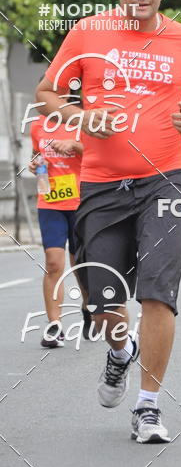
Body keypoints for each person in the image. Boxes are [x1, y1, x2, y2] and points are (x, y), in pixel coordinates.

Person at [35, 0, 181, 443]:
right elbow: (47, 93)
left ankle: (148, 406)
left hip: (164, 180)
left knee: (158, 294)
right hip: (100, 184)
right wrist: (81, 116)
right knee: (103, 303)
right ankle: (121, 351)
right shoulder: (88, 32)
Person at [29, 114, 88, 347]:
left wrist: (74, 145)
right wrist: (34, 164)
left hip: (81, 201)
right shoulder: (38, 124)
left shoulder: (82, 120)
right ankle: (55, 326)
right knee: (53, 263)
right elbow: (36, 154)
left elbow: (100, 155)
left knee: (80, 263)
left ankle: (88, 308)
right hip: (50, 200)